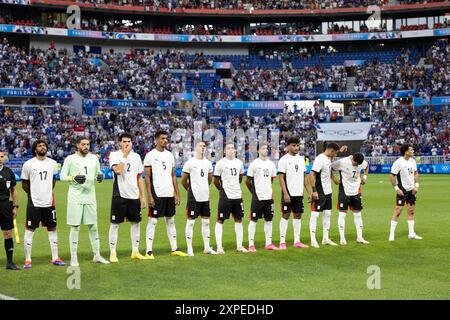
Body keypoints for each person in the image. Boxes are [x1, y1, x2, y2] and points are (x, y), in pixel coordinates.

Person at [60, 136, 110, 267]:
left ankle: (97, 255)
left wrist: (100, 177)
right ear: (77, 145)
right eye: (83, 144)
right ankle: (74, 257)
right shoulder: (70, 159)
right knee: (75, 227)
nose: (86, 146)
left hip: (90, 197)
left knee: (93, 226)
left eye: (88, 144)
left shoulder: (94, 158)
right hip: (75, 197)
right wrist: (74, 178)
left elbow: (98, 174)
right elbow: (62, 176)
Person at [21, 140, 66, 269]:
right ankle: (28, 259)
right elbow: (24, 183)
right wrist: (32, 194)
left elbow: (53, 180)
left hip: (49, 202)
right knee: (30, 230)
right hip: (34, 202)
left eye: (44, 145)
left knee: (52, 228)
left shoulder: (52, 163)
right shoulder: (28, 164)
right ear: (35, 149)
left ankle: (55, 257)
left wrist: (47, 192)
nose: (43, 147)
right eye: (40, 146)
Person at [144, 130, 187, 258]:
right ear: (156, 140)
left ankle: (174, 248)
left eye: (166, 138)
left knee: (171, 220)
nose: (165, 140)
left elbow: (173, 175)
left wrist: (177, 193)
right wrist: (150, 196)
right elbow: (147, 177)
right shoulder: (150, 155)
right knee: (153, 221)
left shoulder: (169, 155)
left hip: (169, 192)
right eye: (162, 138)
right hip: (157, 192)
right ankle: (148, 250)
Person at [108, 133, 149, 263]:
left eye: (129, 141)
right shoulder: (114, 155)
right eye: (124, 141)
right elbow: (118, 170)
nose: (127, 144)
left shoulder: (137, 157)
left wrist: (142, 197)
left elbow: (139, 177)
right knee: (115, 225)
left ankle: (135, 251)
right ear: (119, 142)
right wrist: (124, 156)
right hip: (119, 195)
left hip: (134, 196)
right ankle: (113, 253)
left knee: (136, 223)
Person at [181, 141, 216, 256]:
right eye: (200, 146)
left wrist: (204, 189)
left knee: (206, 222)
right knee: (191, 222)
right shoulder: (190, 163)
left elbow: (209, 179)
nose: (202, 148)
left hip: (205, 197)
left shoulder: (208, 163)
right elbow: (183, 180)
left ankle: (207, 247)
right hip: (193, 197)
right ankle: (189, 248)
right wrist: (190, 190)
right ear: (195, 148)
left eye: (204, 146)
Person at [278, 137, 312, 250]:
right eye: (293, 145)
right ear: (288, 146)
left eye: (297, 145)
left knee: (298, 215)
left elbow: (304, 177)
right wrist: (285, 193)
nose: (296, 147)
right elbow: (281, 178)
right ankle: (282, 242)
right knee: (286, 215)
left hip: (299, 193)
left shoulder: (301, 159)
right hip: (288, 193)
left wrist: (308, 192)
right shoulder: (283, 160)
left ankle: (297, 241)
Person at [309, 142, 346, 248]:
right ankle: (313, 239)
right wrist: (314, 190)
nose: (335, 156)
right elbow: (312, 174)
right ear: (331, 151)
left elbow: (328, 172)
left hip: (328, 191)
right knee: (315, 214)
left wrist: (335, 180)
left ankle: (325, 238)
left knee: (328, 214)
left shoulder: (328, 158)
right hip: (320, 191)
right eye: (335, 153)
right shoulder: (320, 159)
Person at [213, 143, 248, 254]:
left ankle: (239, 246)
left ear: (235, 151)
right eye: (228, 148)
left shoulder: (239, 163)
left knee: (238, 219)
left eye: (233, 148)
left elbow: (240, 177)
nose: (231, 150)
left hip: (237, 195)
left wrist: (235, 187)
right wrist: (222, 189)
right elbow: (216, 180)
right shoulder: (220, 163)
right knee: (220, 219)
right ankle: (219, 247)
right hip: (226, 195)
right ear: (224, 151)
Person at [331, 152, 370, 245]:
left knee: (358, 214)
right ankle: (342, 237)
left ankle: (360, 237)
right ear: (353, 159)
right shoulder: (342, 162)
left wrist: (365, 177)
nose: (356, 166)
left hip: (356, 191)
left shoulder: (361, 162)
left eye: (358, 165)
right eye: (355, 164)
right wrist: (334, 178)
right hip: (344, 190)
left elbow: (367, 166)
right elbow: (329, 168)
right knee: (342, 214)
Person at [246, 143, 278, 252]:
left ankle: (268, 243)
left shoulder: (271, 164)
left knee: (269, 220)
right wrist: (253, 191)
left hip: (268, 197)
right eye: (263, 148)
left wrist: (268, 191)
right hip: (257, 197)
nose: (266, 150)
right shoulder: (254, 164)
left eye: (266, 148)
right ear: (258, 150)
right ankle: (251, 244)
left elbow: (271, 180)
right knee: (254, 220)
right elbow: (248, 181)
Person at [388, 144, 422, 241]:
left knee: (411, 211)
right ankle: (391, 234)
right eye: (411, 150)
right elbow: (391, 176)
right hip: (402, 191)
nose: (413, 151)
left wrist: (416, 186)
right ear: (406, 151)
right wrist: (397, 189)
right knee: (398, 211)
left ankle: (411, 234)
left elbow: (416, 173)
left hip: (412, 190)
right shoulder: (398, 162)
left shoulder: (413, 161)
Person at [0, 149, 20, 270]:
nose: (0, 158)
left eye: (2, 156)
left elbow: (13, 190)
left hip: (5, 206)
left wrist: (15, 206)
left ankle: (10, 262)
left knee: (7, 233)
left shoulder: (8, 172)